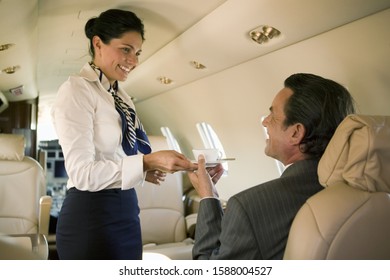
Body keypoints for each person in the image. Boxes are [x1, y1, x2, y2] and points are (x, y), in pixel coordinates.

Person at [51, 9, 196, 260]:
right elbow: (82, 174)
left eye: (137, 52)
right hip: (91, 217)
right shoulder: (76, 91)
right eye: (126, 49)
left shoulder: (122, 97)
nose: (134, 61)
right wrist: (146, 161)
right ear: (98, 43)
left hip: (126, 210)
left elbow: (118, 153)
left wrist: (144, 170)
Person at [188, 73, 356, 259]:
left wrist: (208, 197)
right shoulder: (359, 193)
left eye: (272, 115)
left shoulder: (247, 207)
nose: (264, 121)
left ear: (296, 133)